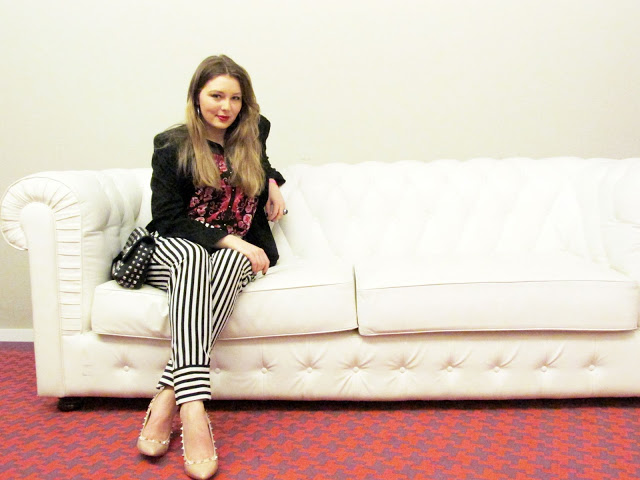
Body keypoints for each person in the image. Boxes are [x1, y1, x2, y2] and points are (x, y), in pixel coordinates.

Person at [136, 55, 286, 480]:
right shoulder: (171, 144)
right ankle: (194, 409)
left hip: (234, 252)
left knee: (233, 261)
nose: (226, 107)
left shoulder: (254, 129)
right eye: (216, 96)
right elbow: (167, 217)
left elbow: (262, 161)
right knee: (193, 258)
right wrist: (230, 238)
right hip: (178, 245)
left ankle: (166, 396)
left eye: (235, 98)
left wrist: (272, 181)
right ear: (197, 97)